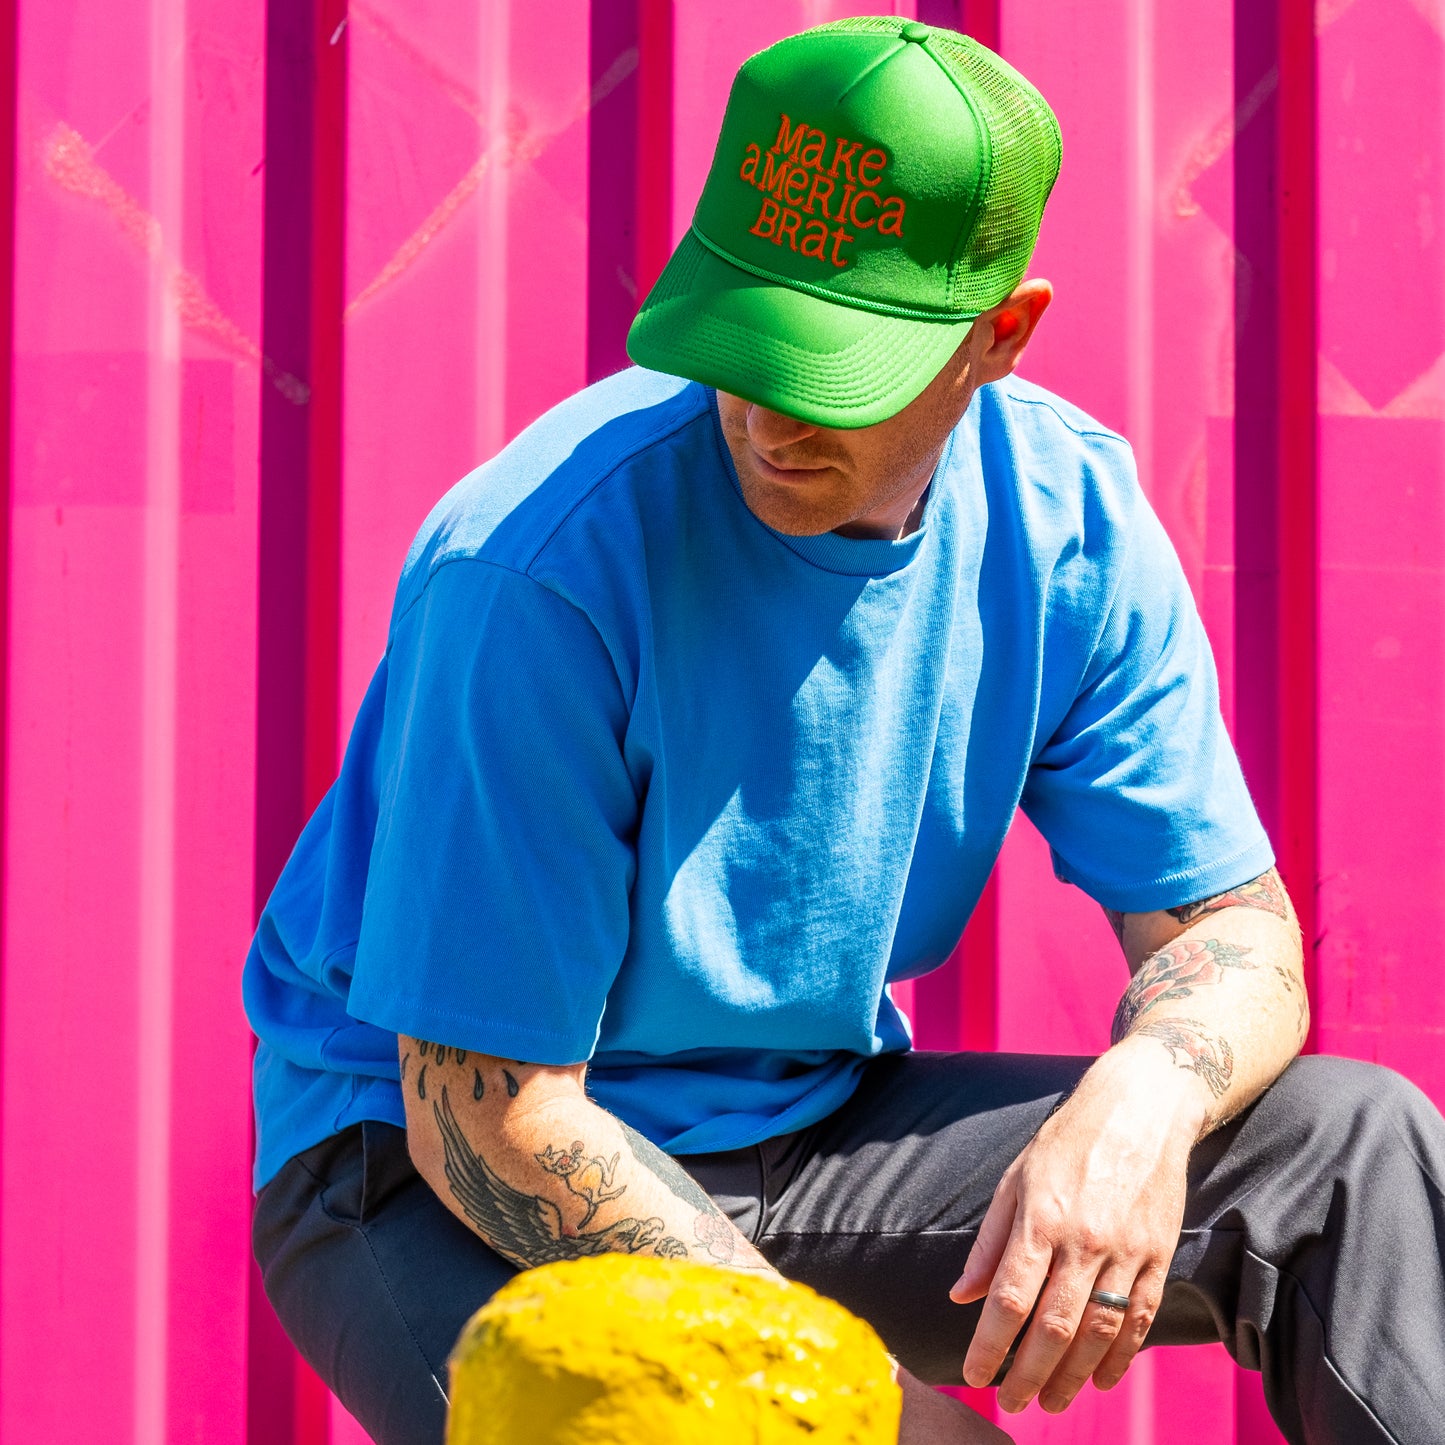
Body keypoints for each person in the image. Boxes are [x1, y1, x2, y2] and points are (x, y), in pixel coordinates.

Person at [244, 17, 1445, 1445]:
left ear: (999, 333)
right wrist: (860, 1403)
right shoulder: (537, 566)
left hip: (796, 1124)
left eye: (838, 364)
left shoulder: (1065, 523)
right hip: (418, 1170)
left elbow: (1230, 937)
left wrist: (1137, 1103)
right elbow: (484, 1110)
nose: (765, 410)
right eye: (746, 328)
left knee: (1349, 1148)